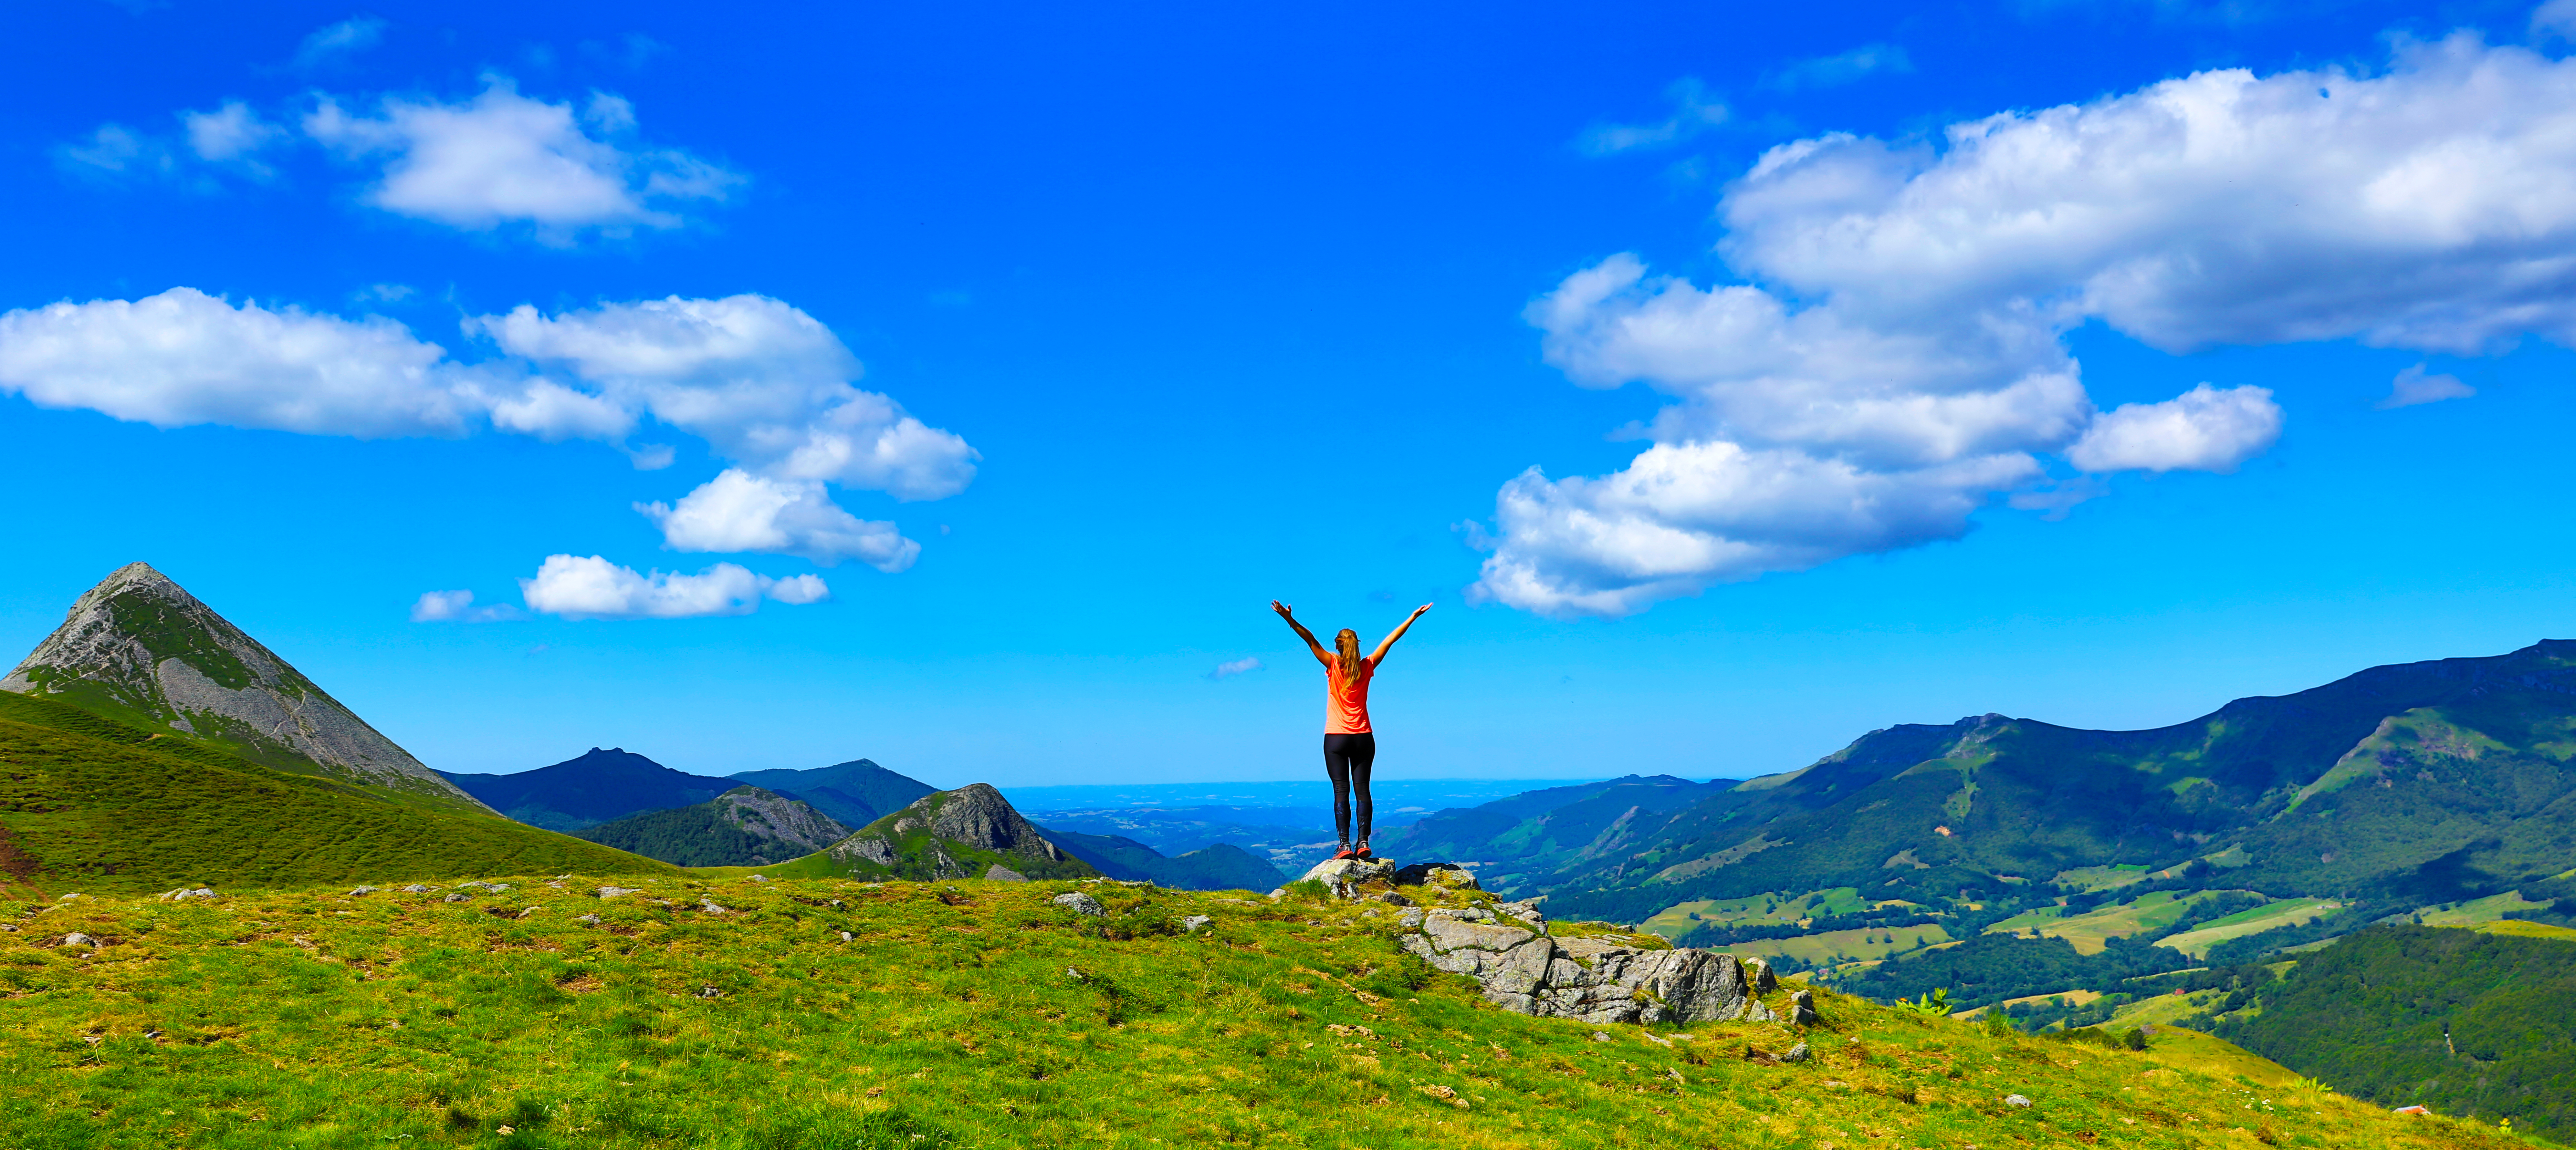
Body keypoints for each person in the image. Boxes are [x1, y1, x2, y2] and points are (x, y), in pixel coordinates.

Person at [1271, 599, 1432, 860]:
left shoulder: (1333, 664)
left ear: (1338, 645)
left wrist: (1288, 619)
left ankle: (1345, 845)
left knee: (1340, 791)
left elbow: (1310, 640)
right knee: (1363, 791)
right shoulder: (1368, 665)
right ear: (1357, 645)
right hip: (1364, 739)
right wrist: (1412, 618)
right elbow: (1390, 641)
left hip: (1336, 738)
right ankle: (1364, 842)